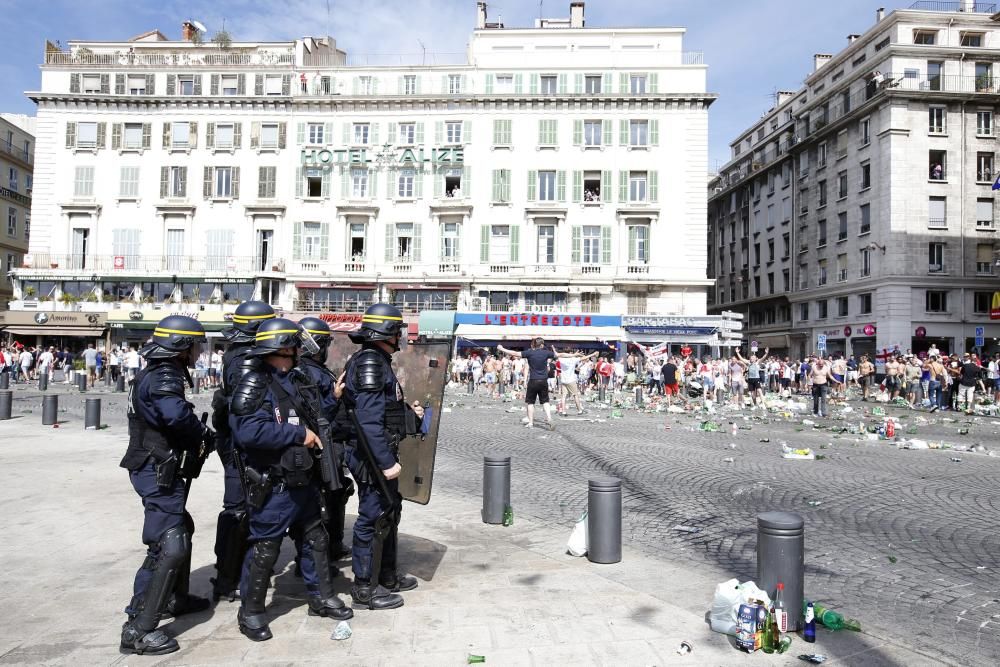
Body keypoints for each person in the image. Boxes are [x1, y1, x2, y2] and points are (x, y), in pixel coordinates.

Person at [230, 318, 353, 641]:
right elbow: (247, 431)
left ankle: (321, 597)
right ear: (282, 347)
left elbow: (312, 416)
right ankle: (252, 611)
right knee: (266, 549)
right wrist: (298, 434)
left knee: (316, 539)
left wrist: (332, 400)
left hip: (304, 480)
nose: (300, 350)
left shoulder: (293, 379)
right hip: (274, 484)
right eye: (294, 345)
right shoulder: (254, 383)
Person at [118, 315, 214, 655]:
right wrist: (201, 434)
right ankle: (138, 627)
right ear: (180, 346)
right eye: (196, 345)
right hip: (154, 467)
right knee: (167, 543)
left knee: (180, 526)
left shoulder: (156, 372)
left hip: (156, 464)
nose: (199, 351)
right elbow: (174, 416)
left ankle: (176, 597)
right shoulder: (164, 375)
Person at [341, 303, 421, 610]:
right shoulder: (371, 363)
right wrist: (385, 463)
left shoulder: (377, 360)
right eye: (397, 330)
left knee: (389, 512)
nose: (400, 335)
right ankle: (364, 588)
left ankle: (386, 575)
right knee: (372, 518)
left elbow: (384, 411)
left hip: (380, 452)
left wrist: (409, 416)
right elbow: (368, 421)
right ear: (386, 333)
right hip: (372, 457)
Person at [210, 300, 276, 602]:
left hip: (234, 439)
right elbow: (245, 408)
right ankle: (228, 576)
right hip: (240, 444)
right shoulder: (248, 359)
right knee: (238, 508)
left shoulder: (238, 353)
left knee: (245, 506)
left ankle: (232, 571)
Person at [297, 316, 353, 565]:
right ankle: (318, 556)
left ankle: (333, 546)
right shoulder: (307, 371)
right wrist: (335, 395)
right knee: (325, 499)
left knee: (337, 494)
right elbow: (316, 413)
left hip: (333, 441)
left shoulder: (313, 369)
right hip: (322, 445)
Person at [498, 338, 559, 430]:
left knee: (530, 403)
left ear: (534, 345)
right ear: (542, 345)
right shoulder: (546, 353)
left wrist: (502, 349)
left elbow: (514, 353)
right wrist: (572, 354)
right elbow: (558, 355)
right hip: (543, 381)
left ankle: (530, 423)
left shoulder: (529, 352)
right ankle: (549, 418)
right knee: (545, 401)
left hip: (533, 380)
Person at [555, 348, 597, 416]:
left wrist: (554, 349)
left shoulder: (561, 359)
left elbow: (557, 354)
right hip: (571, 380)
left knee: (564, 396)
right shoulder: (573, 359)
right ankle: (579, 410)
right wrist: (593, 354)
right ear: (571, 352)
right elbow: (584, 358)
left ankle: (563, 411)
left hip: (564, 380)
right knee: (575, 395)